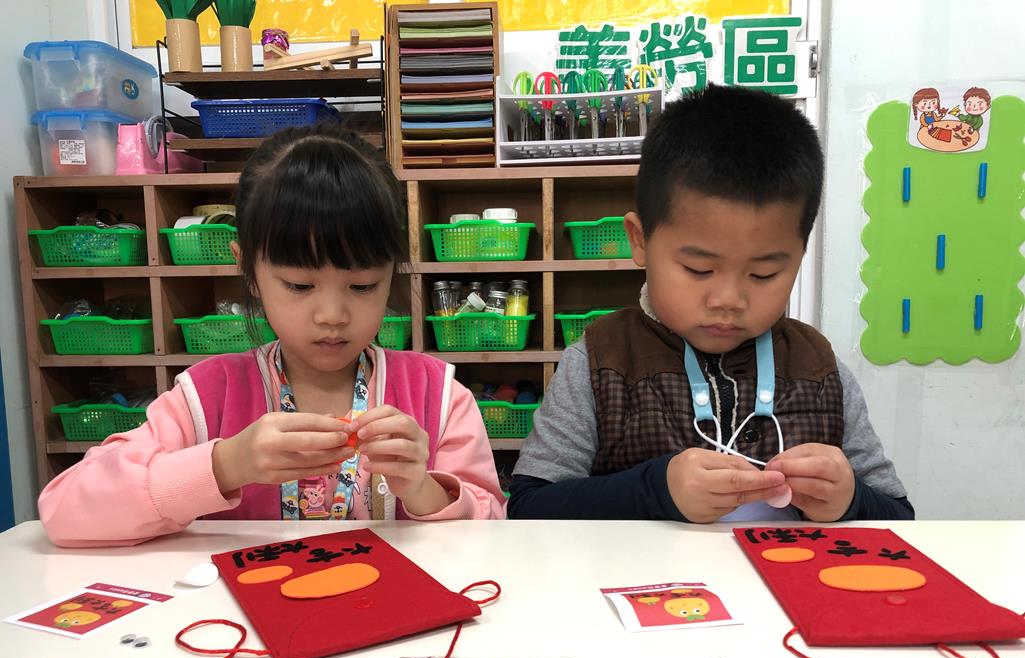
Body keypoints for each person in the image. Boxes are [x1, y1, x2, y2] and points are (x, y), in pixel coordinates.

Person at [40, 123, 505, 546]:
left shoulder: (438, 395)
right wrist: (226, 465)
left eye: (363, 286)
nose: (332, 315)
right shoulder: (207, 395)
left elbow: (496, 534)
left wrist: (423, 489)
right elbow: (64, 512)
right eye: (299, 286)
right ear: (247, 268)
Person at [509, 84, 912, 523]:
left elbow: (898, 515)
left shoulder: (820, 368)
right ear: (640, 240)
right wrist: (655, 489)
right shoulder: (599, 361)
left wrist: (850, 498)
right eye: (699, 269)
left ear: (800, 254)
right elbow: (530, 507)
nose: (728, 300)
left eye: (764, 274)